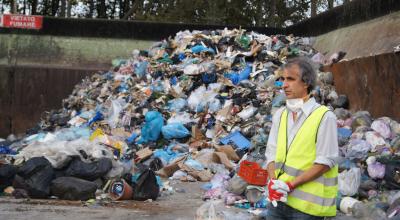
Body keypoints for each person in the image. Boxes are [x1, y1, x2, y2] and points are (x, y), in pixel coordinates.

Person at [264, 57, 339, 219]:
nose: (284, 85)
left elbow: (325, 163)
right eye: (282, 79)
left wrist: (290, 185)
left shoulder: (324, 117)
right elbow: (271, 153)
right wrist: (273, 182)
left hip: (307, 208)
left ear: (306, 83)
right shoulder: (280, 115)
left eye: (290, 79)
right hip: (278, 201)